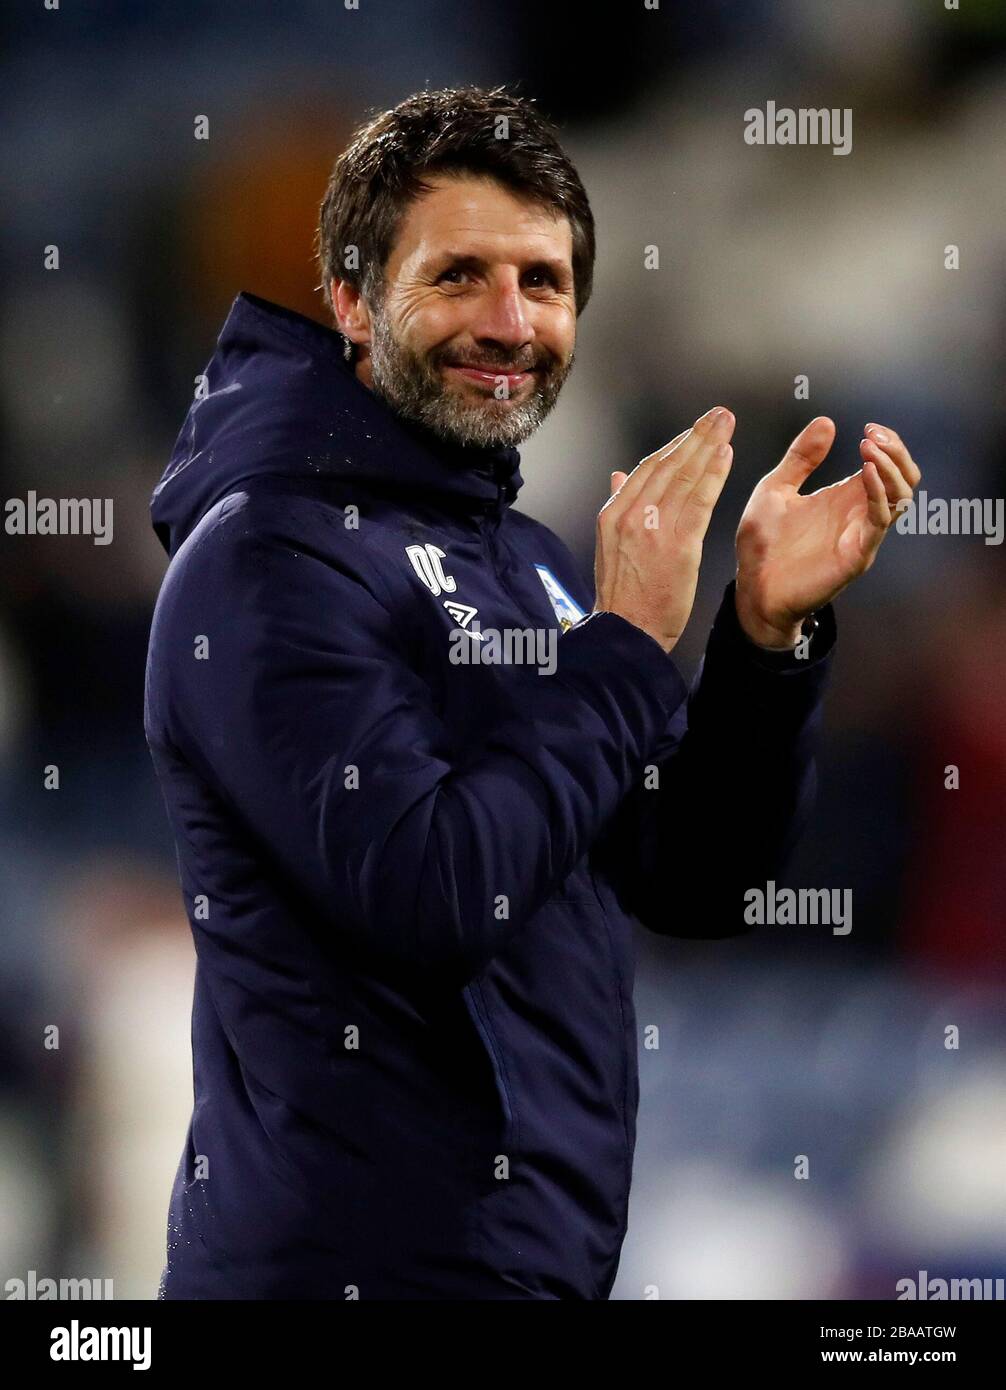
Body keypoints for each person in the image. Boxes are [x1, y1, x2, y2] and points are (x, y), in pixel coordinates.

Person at [145, 85, 920, 1299]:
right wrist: (619, 646)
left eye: (544, 282)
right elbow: (428, 890)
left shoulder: (528, 561)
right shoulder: (265, 557)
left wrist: (765, 635)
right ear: (351, 297)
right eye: (458, 275)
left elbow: (689, 874)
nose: (510, 321)